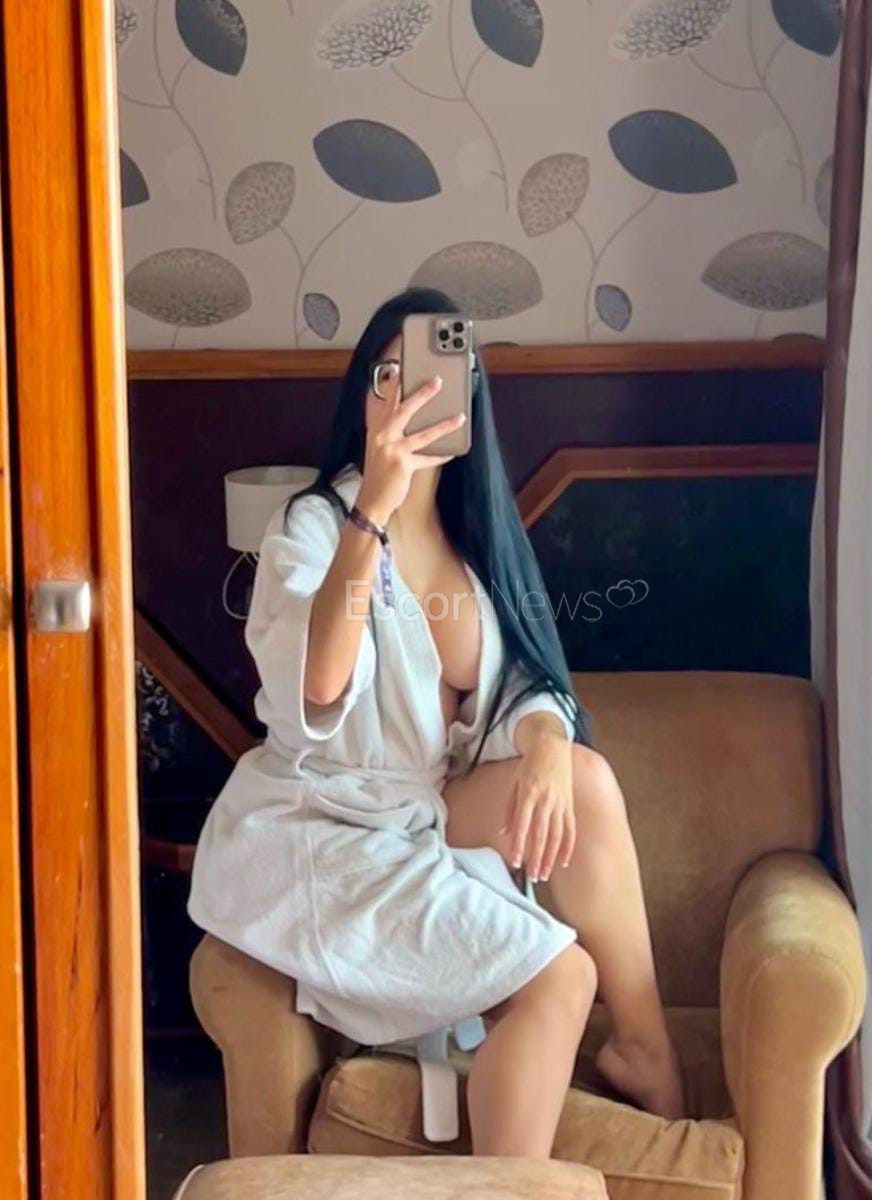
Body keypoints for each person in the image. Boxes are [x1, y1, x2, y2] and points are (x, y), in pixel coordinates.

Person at [187, 287, 685, 1160]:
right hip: (328, 821)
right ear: (361, 398)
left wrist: (544, 744)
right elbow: (317, 686)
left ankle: (643, 1044)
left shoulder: (474, 536)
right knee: (561, 976)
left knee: (583, 777)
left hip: (418, 805)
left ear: (467, 395)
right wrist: (370, 515)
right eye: (385, 377)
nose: (405, 396)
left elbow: (525, 681)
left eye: (427, 376)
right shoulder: (313, 524)